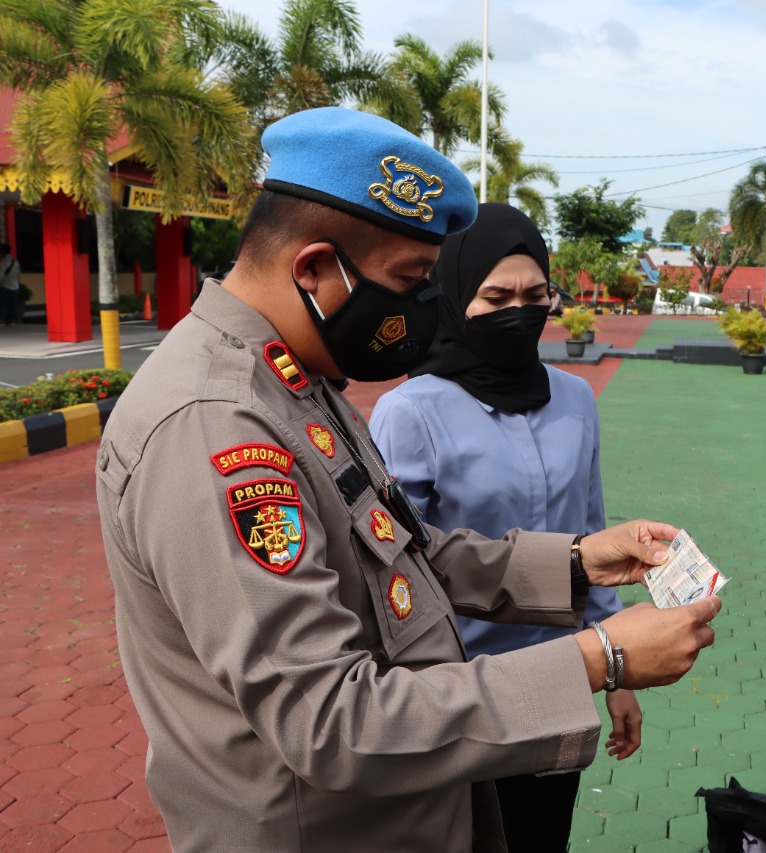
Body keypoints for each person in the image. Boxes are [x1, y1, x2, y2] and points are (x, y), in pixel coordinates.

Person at [94, 107, 720, 853]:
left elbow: (399, 554)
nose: (425, 309)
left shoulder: (294, 379)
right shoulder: (214, 422)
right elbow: (330, 720)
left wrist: (579, 560)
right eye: (409, 281)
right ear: (314, 269)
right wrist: (599, 657)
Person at [369, 203, 641, 851]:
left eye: (534, 293)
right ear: (456, 294)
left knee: (544, 836)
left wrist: (620, 673)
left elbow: (590, 533)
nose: (518, 310)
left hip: (565, 679)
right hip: (460, 695)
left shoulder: (574, 398)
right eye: (495, 296)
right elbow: (395, 568)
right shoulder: (410, 412)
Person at [0, 243, 20, 326]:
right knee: (13, 305)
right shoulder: (16, 262)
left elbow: (1, 274)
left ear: (3, 251)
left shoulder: (3, 261)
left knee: (2, 304)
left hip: (5, 286)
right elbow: (18, 274)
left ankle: (1, 320)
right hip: (15, 286)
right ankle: (12, 320)